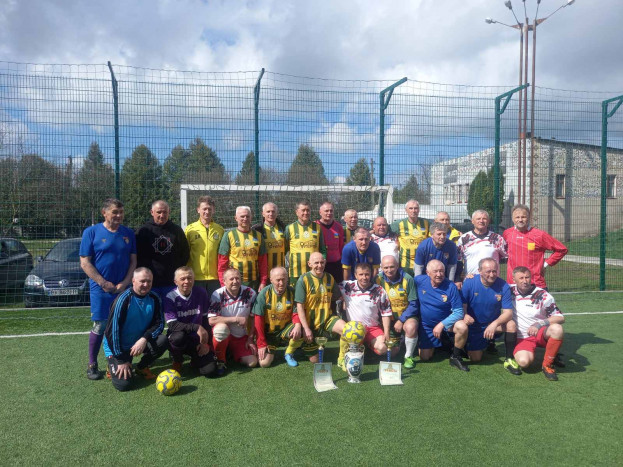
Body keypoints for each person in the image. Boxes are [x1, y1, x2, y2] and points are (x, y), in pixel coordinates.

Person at [80, 198, 137, 380]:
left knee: (123, 324)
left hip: (123, 288)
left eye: (121, 212)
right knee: (101, 325)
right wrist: (103, 283)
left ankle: (119, 359)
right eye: (115, 212)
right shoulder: (91, 232)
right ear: (104, 213)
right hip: (100, 289)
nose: (119, 215)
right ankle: (92, 364)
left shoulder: (128, 233)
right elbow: (85, 263)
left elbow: (133, 261)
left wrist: (125, 283)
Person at [103, 268, 167, 391]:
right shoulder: (123, 300)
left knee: (162, 340)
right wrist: (121, 360)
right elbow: (111, 332)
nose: (146, 284)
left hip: (138, 343)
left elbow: (159, 324)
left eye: (149, 281)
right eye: (142, 281)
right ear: (133, 281)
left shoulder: (155, 298)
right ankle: (112, 365)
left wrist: (144, 339)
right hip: (117, 347)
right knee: (124, 385)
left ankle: (141, 367)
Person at [460, 258, 521, 375]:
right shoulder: (469, 282)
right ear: (479, 271)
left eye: (494, 271)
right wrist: (465, 315)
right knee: (476, 358)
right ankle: (471, 343)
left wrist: (494, 324)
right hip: (474, 326)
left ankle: (509, 359)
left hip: (491, 325)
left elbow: (508, 313)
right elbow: (462, 305)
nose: (492, 275)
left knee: (511, 325)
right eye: (488, 271)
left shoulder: (503, 285)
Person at [284, 252, 346, 364]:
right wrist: (306, 328)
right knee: (315, 360)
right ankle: (290, 351)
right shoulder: (303, 280)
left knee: (347, 329)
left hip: (327, 319)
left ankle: (341, 359)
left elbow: (338, 296)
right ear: (309, 264)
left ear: (325, 263)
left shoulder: (329, 278)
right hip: (310, 323)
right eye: (316, 263)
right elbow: (299, 306)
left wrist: (346, 301)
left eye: (322, 262)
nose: (319, 265)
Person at [511, 266, 565, 381]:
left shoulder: (542, 295)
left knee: (557, 329)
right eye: (521, 278)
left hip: (540, 333)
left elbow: (560, 317)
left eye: (527, 277)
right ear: (513, 279)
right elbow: (490, 284)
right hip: (523, 338)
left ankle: (547, 365)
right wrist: (471, 277)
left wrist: (539, 324)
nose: (525, 281)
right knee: (524, 362)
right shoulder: (508, 291)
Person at [415, 259, 469, 371]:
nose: (439, 274)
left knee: (462, 327)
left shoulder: (451, 286)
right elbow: (405, 280)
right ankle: (444, 343)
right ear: (427, 272)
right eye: (435, 271)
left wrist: (441, 325)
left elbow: (459, 312)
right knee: (425, 357)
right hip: (427, 325)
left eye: (441, 271)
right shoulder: (419, 281)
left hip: (446, 325)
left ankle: (455, 356)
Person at [163, 266, 216, 377]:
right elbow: (172, 324)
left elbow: (205, 319)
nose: (186, 281)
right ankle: (177, 359)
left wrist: (205, 343)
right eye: (182, 279)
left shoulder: (201, 292)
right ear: (175, 282)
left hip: (197, 339)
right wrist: (196, 327)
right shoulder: (170, 296)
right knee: (178, 337)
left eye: (189, 278)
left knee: (210, 371)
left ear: (194, 279)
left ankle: (195, 360)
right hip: (180, 337)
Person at [503, 204, 568, 289]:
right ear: (512, 218)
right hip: (513, 283)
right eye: (517, 217)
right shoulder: (507, 233)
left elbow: (562, 249)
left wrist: (546, 264)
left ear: (528, 217)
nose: (520, 220)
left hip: (535, 283)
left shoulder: (539, 235)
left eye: (523, 217)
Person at [136, 200, 190, 298]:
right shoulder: (144, 231)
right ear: (152, 212)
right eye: (159, 212)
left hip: (172, 282)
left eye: (165, 212)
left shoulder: (176, 231)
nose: (162, 215)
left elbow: (185, 253)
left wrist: (177, 272)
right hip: (150, 283)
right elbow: (138, 255)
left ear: (169, 212)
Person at [208, 268, 258, 374]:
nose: (235, 281)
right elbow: (212, 320)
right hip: (224, 335)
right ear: (224, 281)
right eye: (231, 279)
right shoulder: (217, 294)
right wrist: (235, 319)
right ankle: (221, 360)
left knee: (252, 362)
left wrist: (250, 339)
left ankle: (231, 353)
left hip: (240, 337)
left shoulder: (250, 293)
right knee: (221, 329)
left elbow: (254, 318)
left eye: (237, 278)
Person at [339, 263, 392, 362]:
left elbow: (386, 314)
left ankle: (368, 347)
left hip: (373, 328)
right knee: (351, 354)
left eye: (367, 274)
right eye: (361, 274)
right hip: (355, 329)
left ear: (371, 274)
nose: (364, 277)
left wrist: (386, 333)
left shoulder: (379, 290)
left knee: (383, 348)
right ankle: (362, 347)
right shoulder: (347, 286)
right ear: (355, 275)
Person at [376, 255, 419, 369]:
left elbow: (414, 304)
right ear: (381, 268)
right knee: (390, 353)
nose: (389, 270)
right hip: (387, 319)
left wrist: (401, 320)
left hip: (406, 317)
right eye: (386, 268)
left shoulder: (408, 279)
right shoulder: (378, 279)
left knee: (410, 327)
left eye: (392, 267)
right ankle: (401, 344)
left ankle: (408, 356)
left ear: (397, 266)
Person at [252, 267, 299, 368]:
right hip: (270, 334)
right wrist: (261, 343)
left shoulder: (292, 292)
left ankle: (289, 353)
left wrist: (298, 325)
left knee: (300, 328)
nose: (281, 283)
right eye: (278, 280)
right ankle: (270, 349)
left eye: (283, 279)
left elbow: (297, 313)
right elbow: (258, 319)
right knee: (264, 363)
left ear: (287, 278)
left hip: (285, 330)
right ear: (271, 280)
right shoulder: (264, 293)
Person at [218, 206, 268, 291]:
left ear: (251, 218)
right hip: (234, 282)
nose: (245, 219)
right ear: (236, 218)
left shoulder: (258, 236)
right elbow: (222, 262)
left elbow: (263, 261)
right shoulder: (229, 235)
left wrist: (263, 281)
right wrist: (223, 284)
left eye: (247, 216)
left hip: (254, 282)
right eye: (242, 216)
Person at [185, 195, 224, 297]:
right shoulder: (190, 229)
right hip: (195, 278)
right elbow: (184, 253)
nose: (207, 211)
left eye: (209, 209)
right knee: (197, 305)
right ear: (198, 210)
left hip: (215, 278)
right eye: (204, 209)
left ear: (213, 210)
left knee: (214, 305)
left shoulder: (220, 230)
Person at [284, 199, 327, 286]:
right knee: (296, 294)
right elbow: (285, 249)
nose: (306, 213)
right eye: (303, 210)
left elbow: (322, 248)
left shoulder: (317, 227)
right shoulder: (290, 228)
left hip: (314, 271)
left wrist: (323, 259)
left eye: (308, 210)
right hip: (295, 272)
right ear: (297, 212)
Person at [457, 209, 507, 276]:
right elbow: (458, 260)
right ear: (472, 221)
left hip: (492, 278)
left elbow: (507, 257)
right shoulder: (464, 239)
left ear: (488, 221)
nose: (481, 221)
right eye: (478, 219)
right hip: (471, 278)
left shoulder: (497, 238)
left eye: (484, 219)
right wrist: (460, 276)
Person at [391, 199, 430, 277]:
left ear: (419, 210)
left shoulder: (427, 223)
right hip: (406, 263)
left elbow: (439, 229)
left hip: (423, 262)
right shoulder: (398, 224)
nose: (413, 211)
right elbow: (384, 230)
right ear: (406, 210)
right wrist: (370, 233)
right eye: (411, 208)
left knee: (420, 283)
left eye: (416, 208)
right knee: (407, 283)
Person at [253, 202, 287, 271]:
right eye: (268, 211)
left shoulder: (283, 228)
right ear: (263, 214)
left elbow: (287, 246)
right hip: (263, 271)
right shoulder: (256, 229)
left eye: (273, 211)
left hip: (280, 270)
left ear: (277, 213)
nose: (271, 214)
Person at [316, 201, 345, 282]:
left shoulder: (338, 227)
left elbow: (341, 246)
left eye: (331, 211)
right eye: (326, 211)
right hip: (320, 264)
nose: (329, 213)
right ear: (320, 212)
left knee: (338, 286)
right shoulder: (315, 226)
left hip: (336, 264)